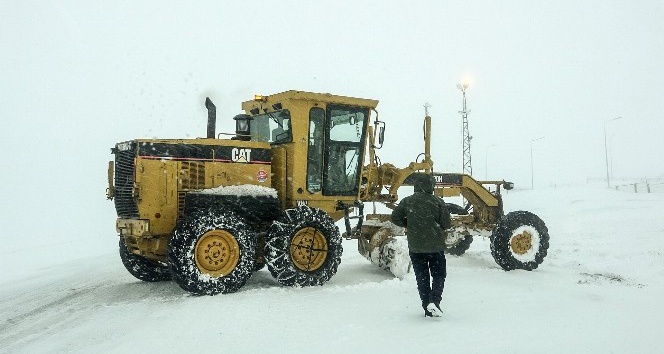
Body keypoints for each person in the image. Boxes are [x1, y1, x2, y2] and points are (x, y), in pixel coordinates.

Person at [391, 173, 451, 317]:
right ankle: (435, 301)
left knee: (422, 276)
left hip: (416, 247)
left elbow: (395, 218)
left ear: (416, 186)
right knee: (439, 275)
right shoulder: (438, 201)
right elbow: (447, 223)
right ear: (431, 185)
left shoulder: (407, 201)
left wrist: (409, 224)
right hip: (436, 246)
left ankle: (427, 307)